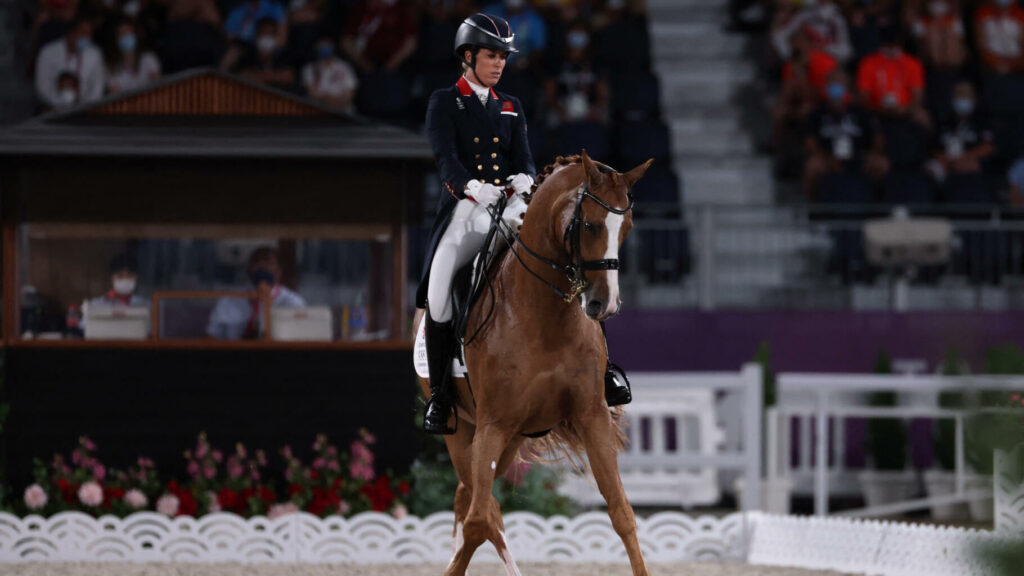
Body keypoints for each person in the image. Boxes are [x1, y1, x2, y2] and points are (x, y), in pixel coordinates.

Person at [417, 13, 630, 435]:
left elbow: (525, 158)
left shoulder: (511, 105)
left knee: (574, 260)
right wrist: (473, 187)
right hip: (467, 209)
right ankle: (441, 396)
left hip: (514, 205)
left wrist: (524, 178)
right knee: (439, 294)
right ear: (468, 56)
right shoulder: (446, 101)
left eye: (503, 57)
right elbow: (446, 160)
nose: (499, 64)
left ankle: (606, 372)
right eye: (491, 56)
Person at [207, 247, 306, 340]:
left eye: (268, 263)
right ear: (249, 270)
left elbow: (299, 338)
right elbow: (212, 337)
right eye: (256, 262)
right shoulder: (230, 299)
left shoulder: (293, 303)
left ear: (279, 272)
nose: (262, 267)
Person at [34, 15, 106, 110]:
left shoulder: (95, 54)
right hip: (52, 107)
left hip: (84, 109)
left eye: (89, 34)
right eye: (83, 33)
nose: (86, 37)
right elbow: (42, 87)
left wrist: (84, 107)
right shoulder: (48, 52)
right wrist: (60, 104)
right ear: (71, 33)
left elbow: (97, 87)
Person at [302, 34, 359, 111]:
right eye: (321, 46)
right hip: (318, 110)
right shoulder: (310, 68)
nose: (324, 48)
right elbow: (312, 93)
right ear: (316, 47)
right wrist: (327, 99)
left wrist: (338, 101)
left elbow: (350, 92)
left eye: (327, 45)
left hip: (342, 110)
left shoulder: (345, 66)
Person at [105, 18, 161, 95]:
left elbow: (158, 85)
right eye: (122, 34)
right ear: (116, 39)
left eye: (128, 32)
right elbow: (115, 95)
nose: (126, 36)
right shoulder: (113, 69)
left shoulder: (148, 58)